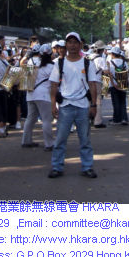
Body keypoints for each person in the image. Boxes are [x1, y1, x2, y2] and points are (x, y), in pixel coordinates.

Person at [48, 32, 99, 179]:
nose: (72, 45)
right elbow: (53, 85)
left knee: (85, 140)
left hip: (83, 105)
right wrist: (53, 105)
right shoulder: (59, 63)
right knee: (60, 139)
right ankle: (57, 167)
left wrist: (94, 105)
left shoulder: (87, 63)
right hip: (65, 105)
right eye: (69, 42)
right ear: (66, 45)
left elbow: (92, 84)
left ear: (80, 44)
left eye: (75, 42)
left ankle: (87, 167)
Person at [21, 43, 55, 150]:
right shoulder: (52, 66)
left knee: (30, 118)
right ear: (51, 54)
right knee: (46, 120)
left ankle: (26, 141)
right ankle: (49, 144)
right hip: (44, 95)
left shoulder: (32, 63)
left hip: (30, 94)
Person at [107, 46, 129, 126]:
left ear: (112, 54)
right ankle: (124, 118)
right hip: (123, 84)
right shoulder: (124, 62)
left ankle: (116, 119)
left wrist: (112, 84)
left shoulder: (110, 63)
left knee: (116, 102)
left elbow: (109, 74)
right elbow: (128, 73)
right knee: (123, 102)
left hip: (114, 85)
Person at [90, 40, 108, 128]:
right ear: (102, 50)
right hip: (97, 81)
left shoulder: (88, 57)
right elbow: (106, 71)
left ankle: (89, 119)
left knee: (89, 101)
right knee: (97, 101)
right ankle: (97, 121)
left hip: (88, 81)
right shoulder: (101, 59)